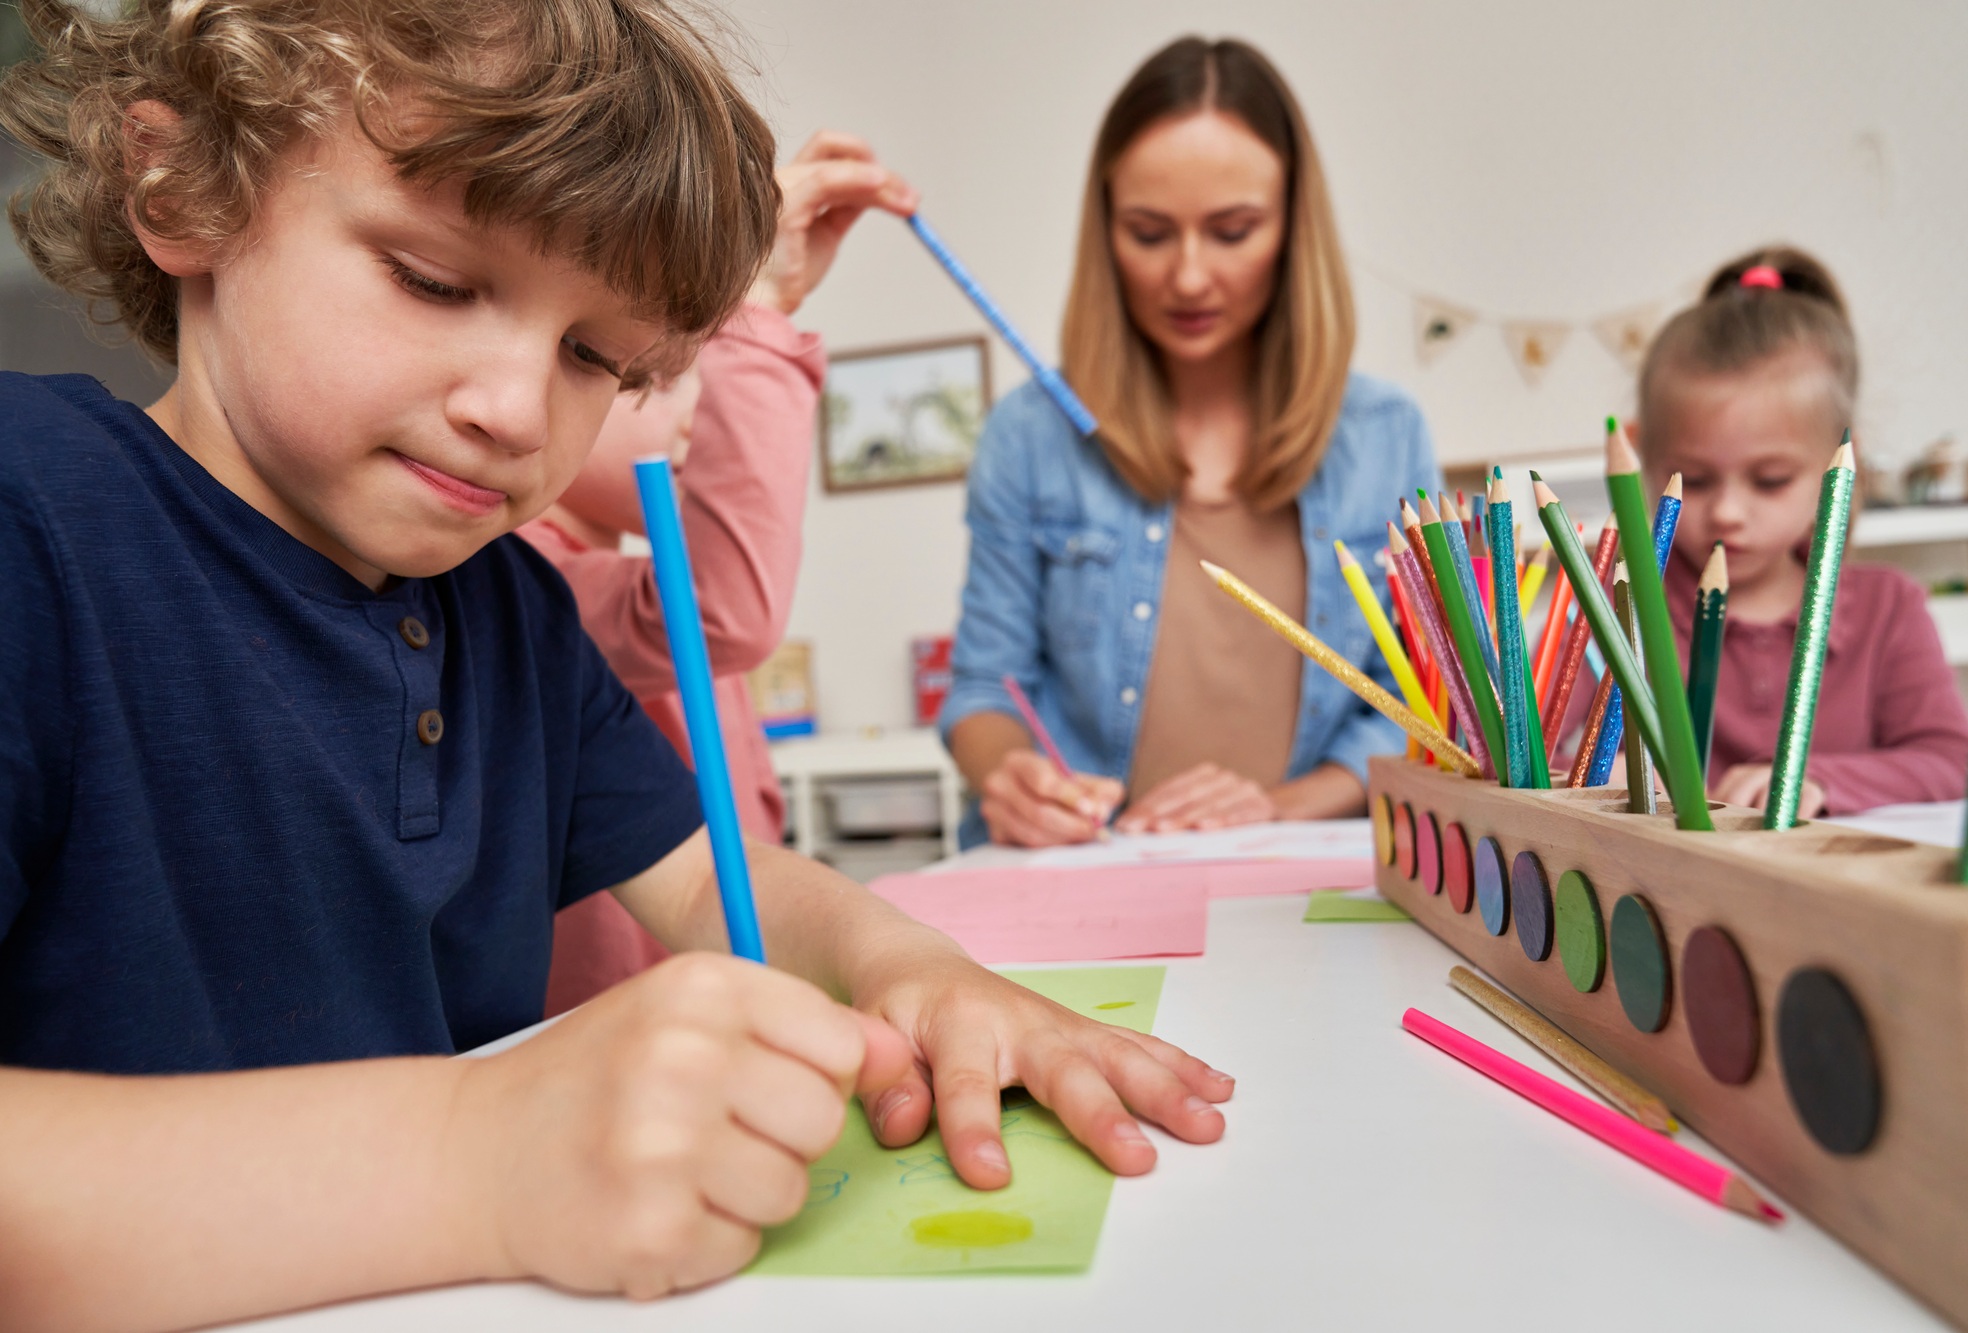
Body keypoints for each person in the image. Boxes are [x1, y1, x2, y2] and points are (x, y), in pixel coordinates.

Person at [0, 2, 1232, 1328]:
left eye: (598, 356)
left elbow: (714, 873)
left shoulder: (512, 607)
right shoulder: (31, 516)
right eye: (435, 279)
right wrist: (474, 1153)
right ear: (182, 186)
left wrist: (909, 966)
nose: (518, 412)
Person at [939, 36, 1439, 848]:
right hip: (1088, 880)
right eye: (1148, 232)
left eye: (1233, 231)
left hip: (1301, 878)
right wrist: (1009, 775)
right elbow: (983, 690)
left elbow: (1419, 704)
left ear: (1292, 228)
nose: (1190, 278)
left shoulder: (1387, 435)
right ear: (1105, 228)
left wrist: (1279, 805)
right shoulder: (1029, 435)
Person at [526, 131, 914, 1015]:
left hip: (721, 1014)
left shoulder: (634, 566)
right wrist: (762, 308)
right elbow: (724, 610)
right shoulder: (522, 580)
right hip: (615, 1046)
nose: (701, 402)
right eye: (655, 376)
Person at [1632, 245, 1968, 817]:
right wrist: (1601, 773)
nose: (1728, 513)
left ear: (1839, 465)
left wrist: (1815, 779)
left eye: (1769, 480)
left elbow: (1951, 759)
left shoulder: (1889, 609)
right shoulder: (1631, 612)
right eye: (1692, 480)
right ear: (1644, 458)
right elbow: (1543, 752)